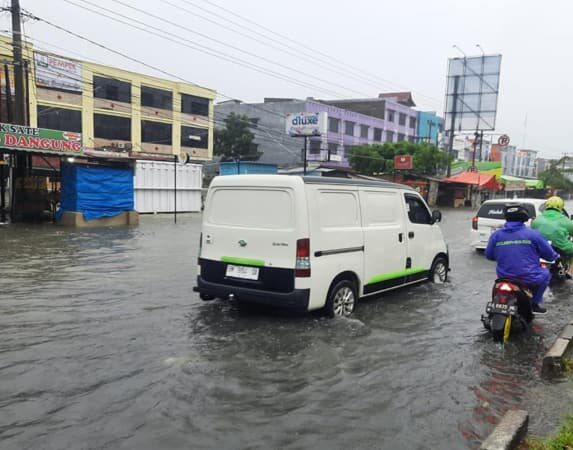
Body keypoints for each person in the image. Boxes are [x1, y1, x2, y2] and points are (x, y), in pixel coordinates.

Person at [485, 204, 558, 314]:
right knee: (546, 274)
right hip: (529, 277)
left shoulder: (496, 235)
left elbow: (489, 255)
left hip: (504, 276)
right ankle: (534, 303)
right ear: (524, 217)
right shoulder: (533, 234)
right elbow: (550, 255)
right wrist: (555, 257)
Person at [531, 196, 573, 277]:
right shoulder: (565, 220)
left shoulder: (537, 219)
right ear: (561, 206)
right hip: (559, 247)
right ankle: (570, 271)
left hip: (540, 248)